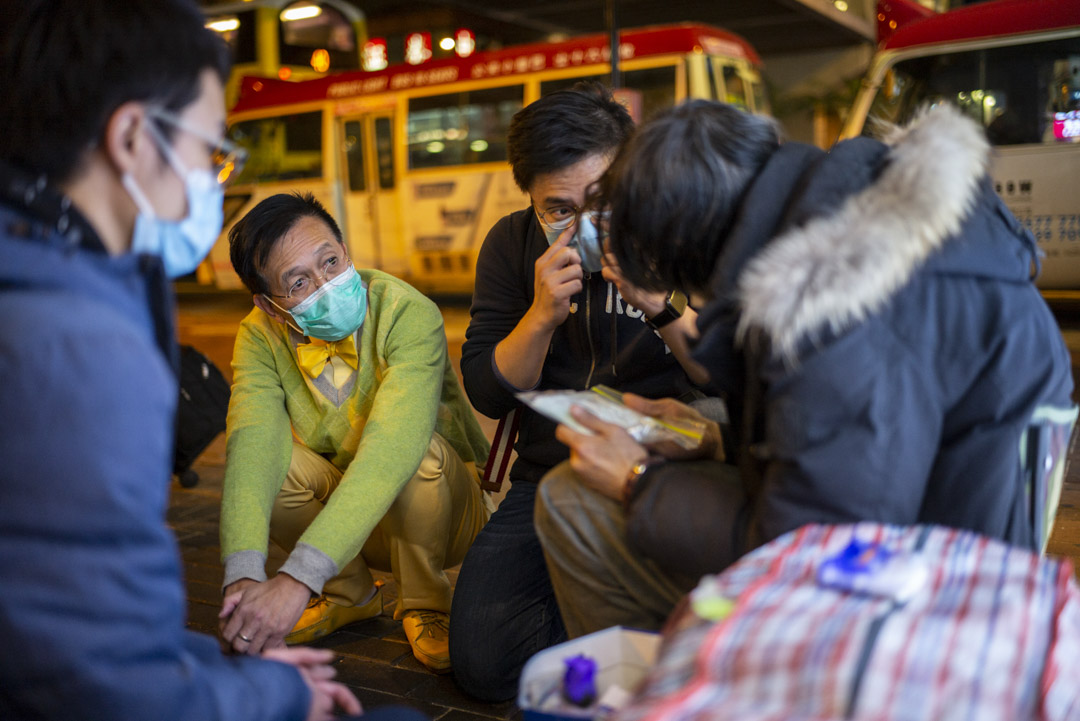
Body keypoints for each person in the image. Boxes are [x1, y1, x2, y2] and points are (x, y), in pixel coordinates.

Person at [534, 100, 1077, 637]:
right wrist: (718, 439)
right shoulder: (863, 211)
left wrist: (639, 479)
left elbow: (824, 549)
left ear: (694, 253)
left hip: (920, 609)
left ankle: (689, 691)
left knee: (571, 501)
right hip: (945, 540)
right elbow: (872, 446)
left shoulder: (832, 309)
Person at [0, 2, 369, 719]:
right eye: (209, 150)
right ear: (133, 136)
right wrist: (281, 691)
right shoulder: (80, 349)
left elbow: (55, 626)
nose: (210, 176)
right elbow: (105, 685)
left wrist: (214, 663)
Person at [450, 82, 709, 701]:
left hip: (666, 463)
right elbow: (488, 390)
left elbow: (724, 375)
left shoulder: (682, 228)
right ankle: (631, 628)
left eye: (603, 200)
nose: (583, 224)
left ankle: (637, 630)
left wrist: (657, 300)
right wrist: (540, 314)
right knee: (483, 663)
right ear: (532, 203)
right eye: (558, 210)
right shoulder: (512, 245)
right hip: (549, 471)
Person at [218, 192, 493, 675]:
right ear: (268, 304)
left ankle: (425, 601)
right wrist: (241, 575)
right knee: (271, 465)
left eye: (330, 261)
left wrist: (296, 580)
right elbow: (252, 441)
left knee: (419, 455)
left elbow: (393, 449)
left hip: (447, 515)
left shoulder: (406, 311)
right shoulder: (259, 334)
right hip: (358, 521)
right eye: (299, 281)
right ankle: (349, 594)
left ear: (346, 248)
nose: (326, 284)